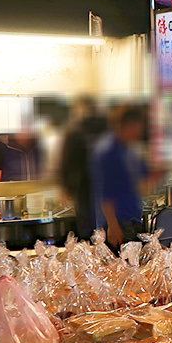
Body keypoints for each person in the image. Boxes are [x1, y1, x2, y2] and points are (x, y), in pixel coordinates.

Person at [93, 104, 148, 248]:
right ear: (128, 125)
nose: (140, 132)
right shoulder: (108, 151)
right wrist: (113, 225)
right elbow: (105, 193)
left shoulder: (127, 149)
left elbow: (146, 172)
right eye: (138, 126)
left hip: (130, 222)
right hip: (118, 225)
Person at [60, 96, 108, 238]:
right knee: (100, 228)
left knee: (90, 229)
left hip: (86, 187)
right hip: (93, 188)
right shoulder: (107, 128)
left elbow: (67, 162)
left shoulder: (76, 131)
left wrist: (66, 187)